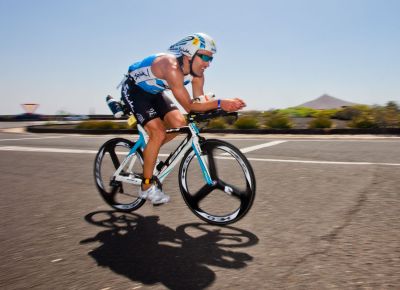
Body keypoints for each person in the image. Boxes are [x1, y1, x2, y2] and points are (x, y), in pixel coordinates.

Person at [120, 32, 246, 205]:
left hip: (155, 93)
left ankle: (150, 151)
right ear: (188, 54)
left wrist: (220, 108)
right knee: (157, 133)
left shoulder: (198, 73)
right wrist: (220, 103)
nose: (207, 64)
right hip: (135, 91)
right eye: (204, 57)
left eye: (211, 59)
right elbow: (189, 106)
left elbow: (198, 102)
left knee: (180, 124)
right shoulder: (171, 67)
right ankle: (146, 188)